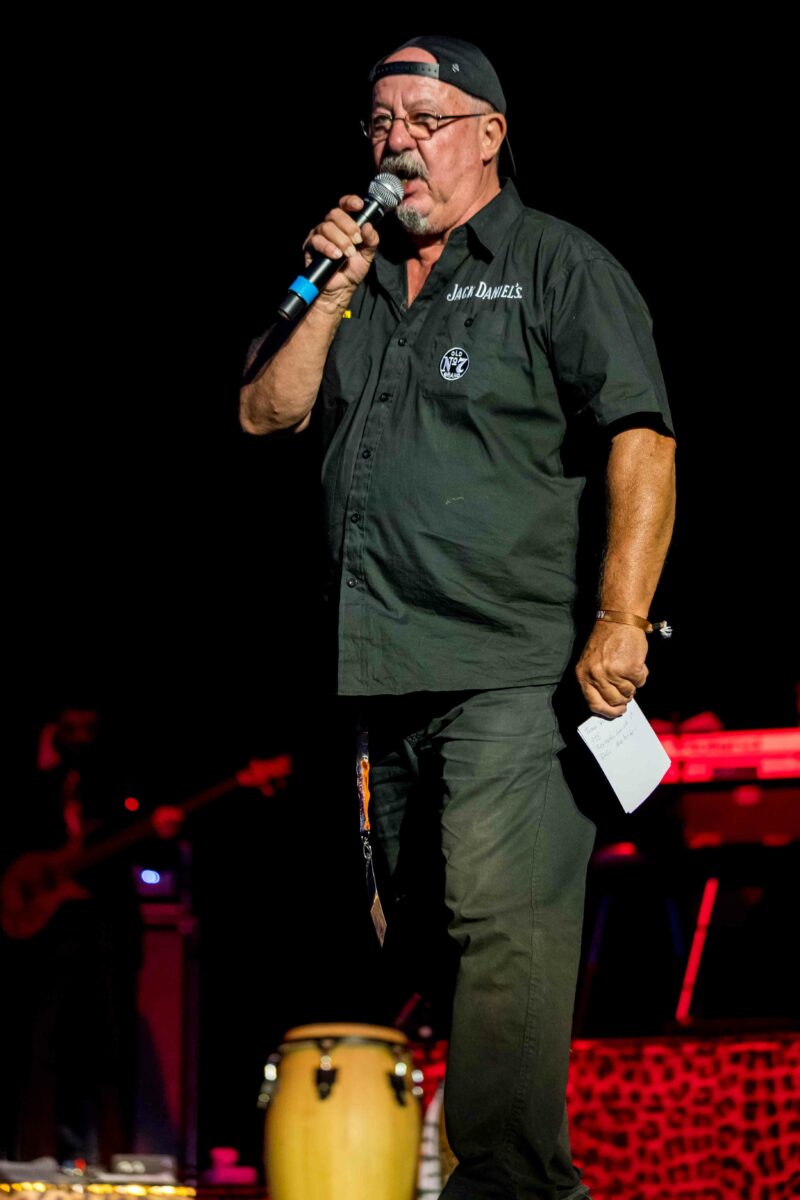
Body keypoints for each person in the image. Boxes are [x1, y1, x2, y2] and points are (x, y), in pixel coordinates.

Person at [240, 35, 676, 1200]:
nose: (394, 146)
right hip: (379, 675)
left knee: (500, 930)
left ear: (488, 134)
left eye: (422, 121)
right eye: (378, 123)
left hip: (511, 667)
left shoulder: (554, 265)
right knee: (433, 944)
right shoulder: (354, 278)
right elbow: (262, 413)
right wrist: (330, 290)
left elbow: (641, 437)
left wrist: (621, 616)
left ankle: (507, 1183)